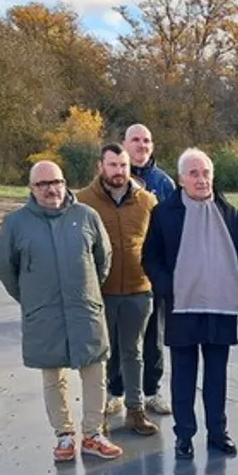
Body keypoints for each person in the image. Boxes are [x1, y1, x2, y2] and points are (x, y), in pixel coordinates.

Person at [0, 160, 123, 463]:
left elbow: (103, 260)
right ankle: (64, 435)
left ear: (65, 184)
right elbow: (5, 269)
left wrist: (86, 291)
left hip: (84, 310)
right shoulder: (16, 223)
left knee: (95, 372)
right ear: (31, 189)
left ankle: (93, 435)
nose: (51, 189)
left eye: (57, 182)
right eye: (43, 184)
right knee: (53, 376)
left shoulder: (86, 216)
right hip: (44, 313)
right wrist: (30, 299)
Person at [142, 147, 238, 459]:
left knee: (217, 374)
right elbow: (150, 258)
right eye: (194, 173)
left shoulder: (228, 213)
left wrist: (233, 286)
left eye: (206, 173)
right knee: (183, 375)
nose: (201, 179)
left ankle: (218, 432)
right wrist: (170, 288)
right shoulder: (164, 213)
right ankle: (184, 435)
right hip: (182, 308)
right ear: (180, 179)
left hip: (219, 308)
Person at [76, 143, 158, 435]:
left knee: (134, 352)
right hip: (100, 292)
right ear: (101, 166)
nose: (119, 171)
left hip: (139, 290)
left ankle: (135, 410)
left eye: (123, 166)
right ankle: (98, 414)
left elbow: (158, 244)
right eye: (112, 165)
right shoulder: (83, 202)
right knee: (100, 354)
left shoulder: (147, 201)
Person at [113, 122, 175, 418]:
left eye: (146, 140)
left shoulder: (163, 184)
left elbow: (175, 230)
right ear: (124, 144)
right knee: (115, 336)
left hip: (151, 277)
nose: (141, 145)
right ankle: (115, 391)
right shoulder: (110, 179)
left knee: (152, 337)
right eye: (135, 140)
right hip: (115, 276)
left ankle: (152, 391)